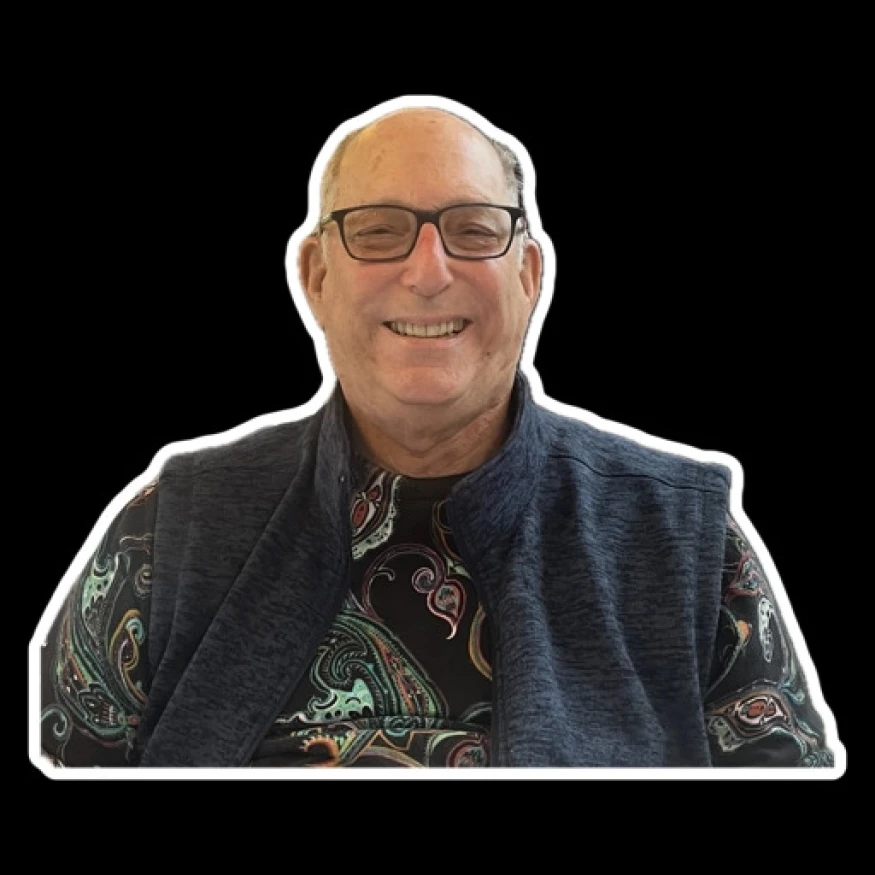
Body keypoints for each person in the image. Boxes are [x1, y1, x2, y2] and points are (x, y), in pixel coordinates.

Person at [32, 96, 843, 772]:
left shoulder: (685, 541)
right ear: (315, 277)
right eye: (378, 230)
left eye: (474, 229)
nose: (426, 271)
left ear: (528, 275)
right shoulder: (168, 533)